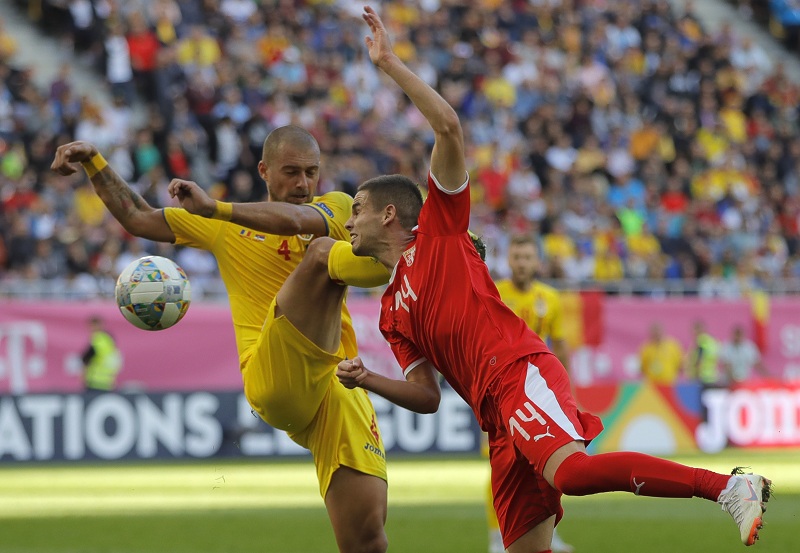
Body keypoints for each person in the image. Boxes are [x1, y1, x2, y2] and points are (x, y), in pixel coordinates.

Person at [336, 8, 771, 552]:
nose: (347, 221)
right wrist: (366, 379)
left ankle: (730, 486)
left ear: (389, 216)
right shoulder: (390, 312)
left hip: (518, 374)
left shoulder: (441, 235)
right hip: (494, 419)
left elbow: (448, 126)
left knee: (571, 474)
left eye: (356, 208)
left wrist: (391, 63)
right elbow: (426, 396)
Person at [51, 125, 392, 551]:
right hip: (273, 375)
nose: (303, 183)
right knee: (323, 255)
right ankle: (406, 260)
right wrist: (94, 162)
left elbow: (296, 222)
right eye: (291, 172)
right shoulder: (223, 227)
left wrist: (216, 208)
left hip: (337, 386)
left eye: (311, 172)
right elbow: (137, 216)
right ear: (264, 171)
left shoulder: (337, 207)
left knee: (367, 540)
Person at [491, 234, 574, 553]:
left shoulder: (550, 298)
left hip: (541, 393)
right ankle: (497, 536)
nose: (521, 263)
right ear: (508, 260)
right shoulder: (496, 293)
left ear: (537, 262)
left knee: (549, 468)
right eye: (516, 257)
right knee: (505, 468)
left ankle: (549, 533)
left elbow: (561, 347)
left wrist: (566, 392)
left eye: (527, 257)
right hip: (504, 391)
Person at [81, 316, 123, 392]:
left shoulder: (98, 339)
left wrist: (84, 367)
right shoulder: (109, 339)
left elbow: (87, 356)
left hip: (95, 380)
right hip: (108, 381)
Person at [686, 320, 721, 384]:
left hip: (701, 378)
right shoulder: (711, 341)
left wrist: (695, 377)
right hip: (712, 377)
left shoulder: (701, 342)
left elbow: (699, 360)